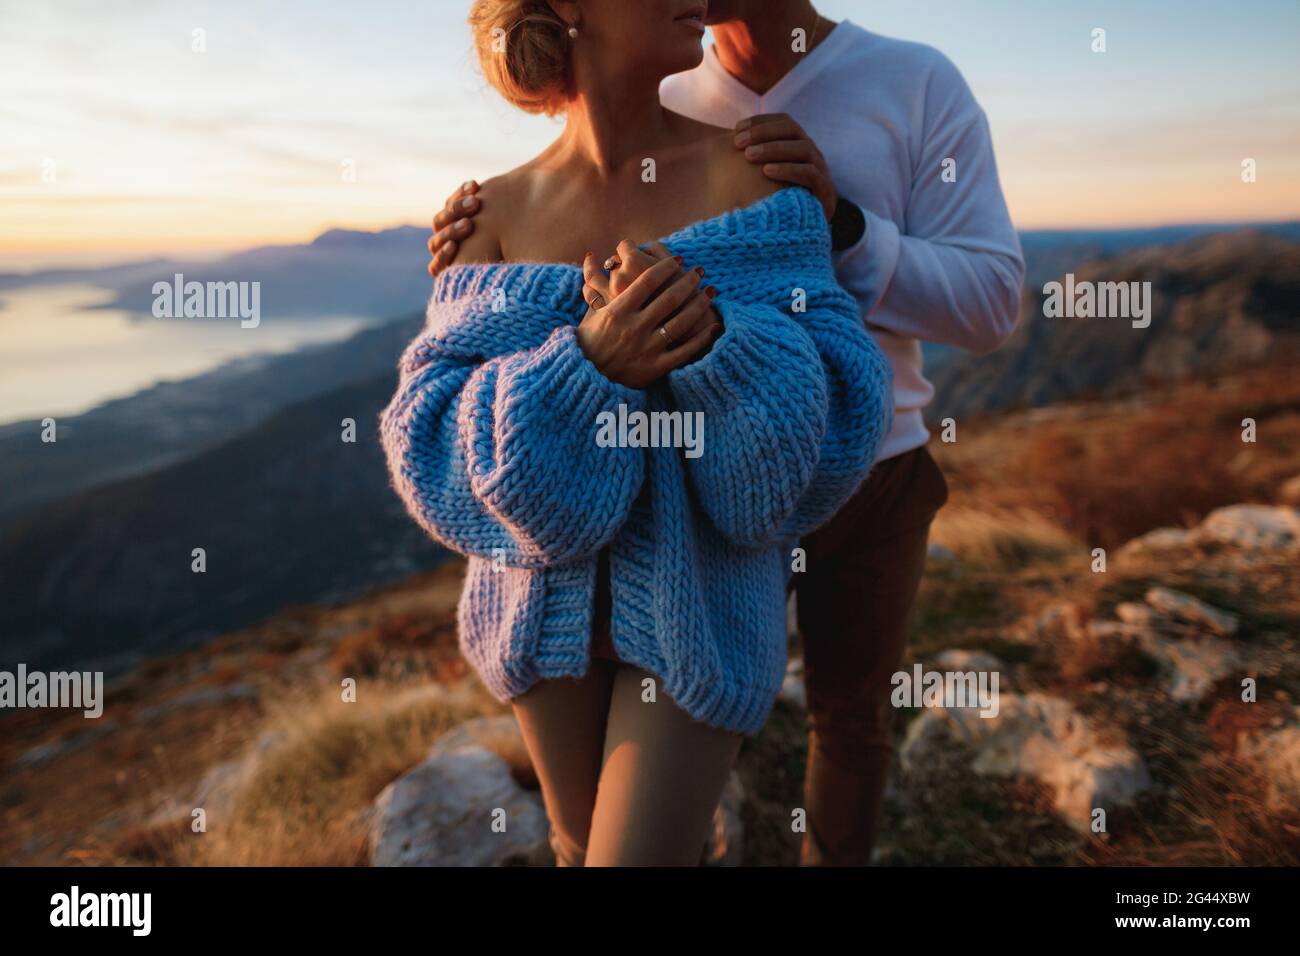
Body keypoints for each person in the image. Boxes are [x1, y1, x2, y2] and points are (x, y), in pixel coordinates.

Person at [429, 0, 1026, 866]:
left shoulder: (909, 83)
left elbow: (992, 302)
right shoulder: (680, 93)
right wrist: (480, 286)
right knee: (607, 824)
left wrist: (842, 226)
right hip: (661, 527)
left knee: (848, 716)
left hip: (867, 461)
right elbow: (452, 414)